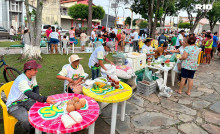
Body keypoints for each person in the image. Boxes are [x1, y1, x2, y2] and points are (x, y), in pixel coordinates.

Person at [6, 60, 55, 134]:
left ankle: (42, 128)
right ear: (28, 71)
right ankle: (32, 131)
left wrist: (37, 100)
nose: (36, 71)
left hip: (25, 100)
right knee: (26, 120)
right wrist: (44, 99)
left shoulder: (32, 76)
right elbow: (29, 93)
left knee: (42, 108)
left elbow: (36, 88)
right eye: (35, 69)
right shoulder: (21, 80)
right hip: (14, 105)